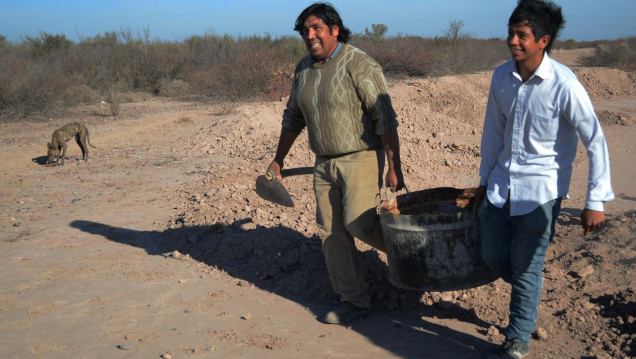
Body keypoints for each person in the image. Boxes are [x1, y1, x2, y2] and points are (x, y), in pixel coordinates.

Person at [475, 0, 614, 358]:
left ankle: (518, 338)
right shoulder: (501, 76)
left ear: (543, 40)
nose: (512, 41)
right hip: (500, 186)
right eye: (511, 33)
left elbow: (595, 141)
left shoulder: (564, 84)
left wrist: (594, 201)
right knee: (492, 255)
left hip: (542, 194)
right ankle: (528, 294)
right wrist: (483, 179)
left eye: (522, 35)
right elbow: (493, 133)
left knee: (526, 265)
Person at [266, 2, 405, 325]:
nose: (309, 35)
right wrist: (278, 159)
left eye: (316, 28)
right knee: (331, 233)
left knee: (361, 223)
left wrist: (394, 166)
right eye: (305, 30)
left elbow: (384, 117)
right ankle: (354, 300)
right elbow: (293, 117)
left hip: (362, 157)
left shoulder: (359, 64)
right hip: (324, 164)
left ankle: (416, 259)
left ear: (334, 30)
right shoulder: (303, 69)